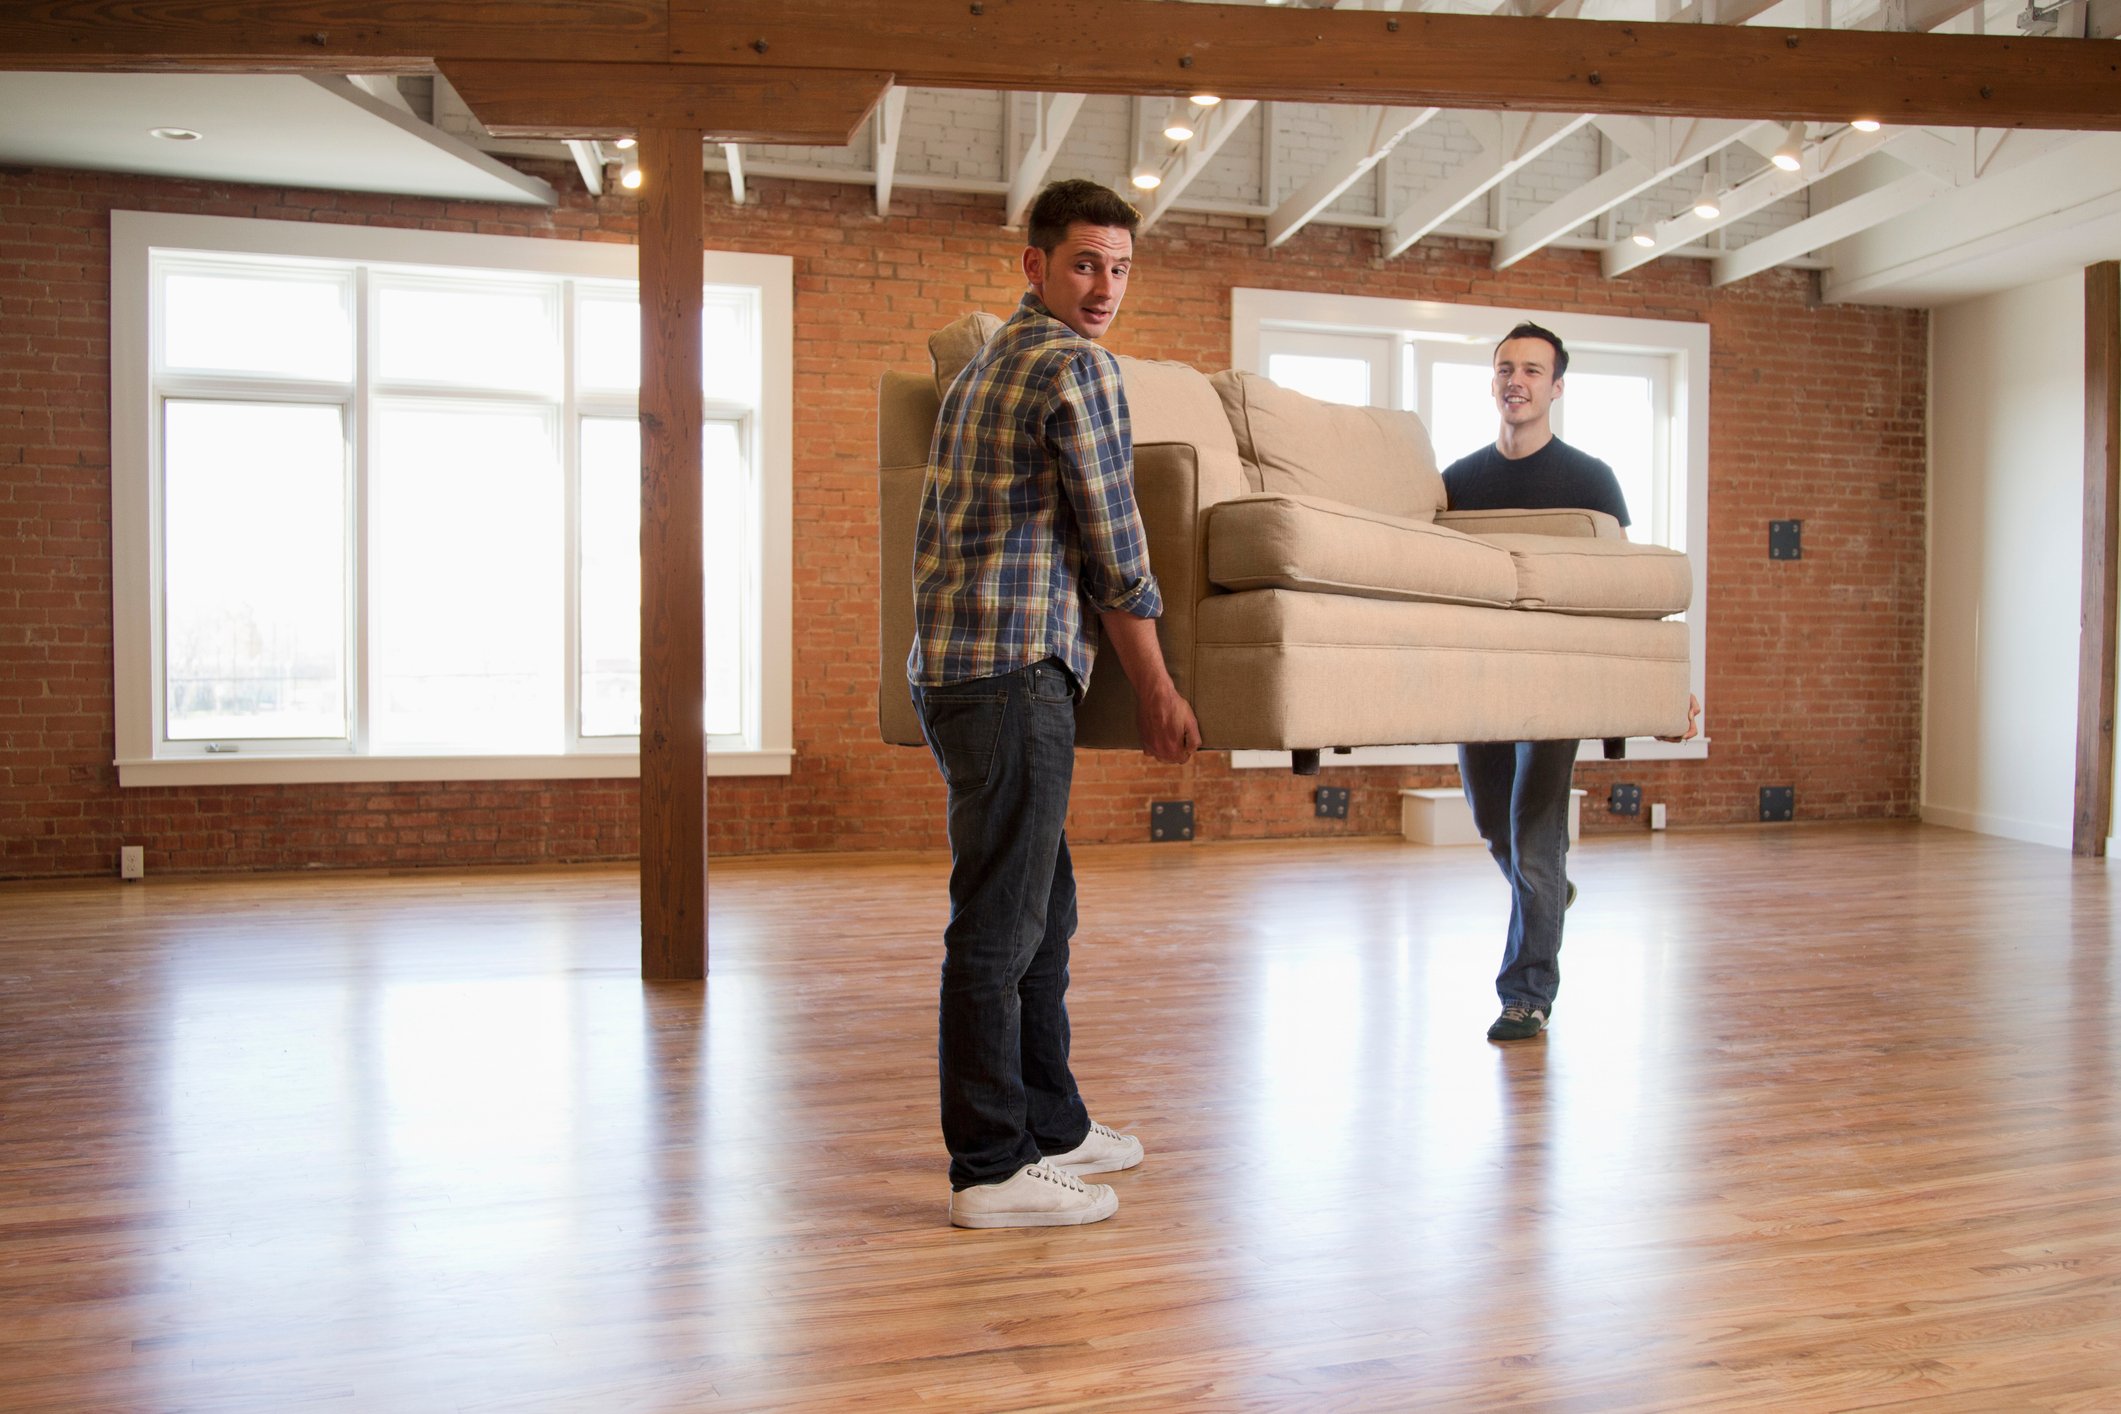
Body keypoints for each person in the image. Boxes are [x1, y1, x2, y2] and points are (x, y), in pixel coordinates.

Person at [907, 179, 1200, 1227]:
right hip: (1011, 669)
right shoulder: (1075, 367)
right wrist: (1160, 688)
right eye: (1085, 263)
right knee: (1000, 923)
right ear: (1035, 265)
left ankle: (1053, 1124)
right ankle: (989, 1166)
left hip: (958, 669)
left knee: (1045, 909)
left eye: (1120, 267)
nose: (1105, 287)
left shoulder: (990, 360)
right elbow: (1116, 549)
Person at [1441, 322, 1698, 1042]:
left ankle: (1525, 994)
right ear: (1492, 382)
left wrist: (1663, 684)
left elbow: (1624, 593)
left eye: (1530, 369)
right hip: (1482, 681)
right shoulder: (1458, 483)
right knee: (1496, 826)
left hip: (1558, 685)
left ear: (1555, 388)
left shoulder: (1590, 480)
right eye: (1504, 368)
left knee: (1532, 836)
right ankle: (1551, 895)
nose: (1514, 380)